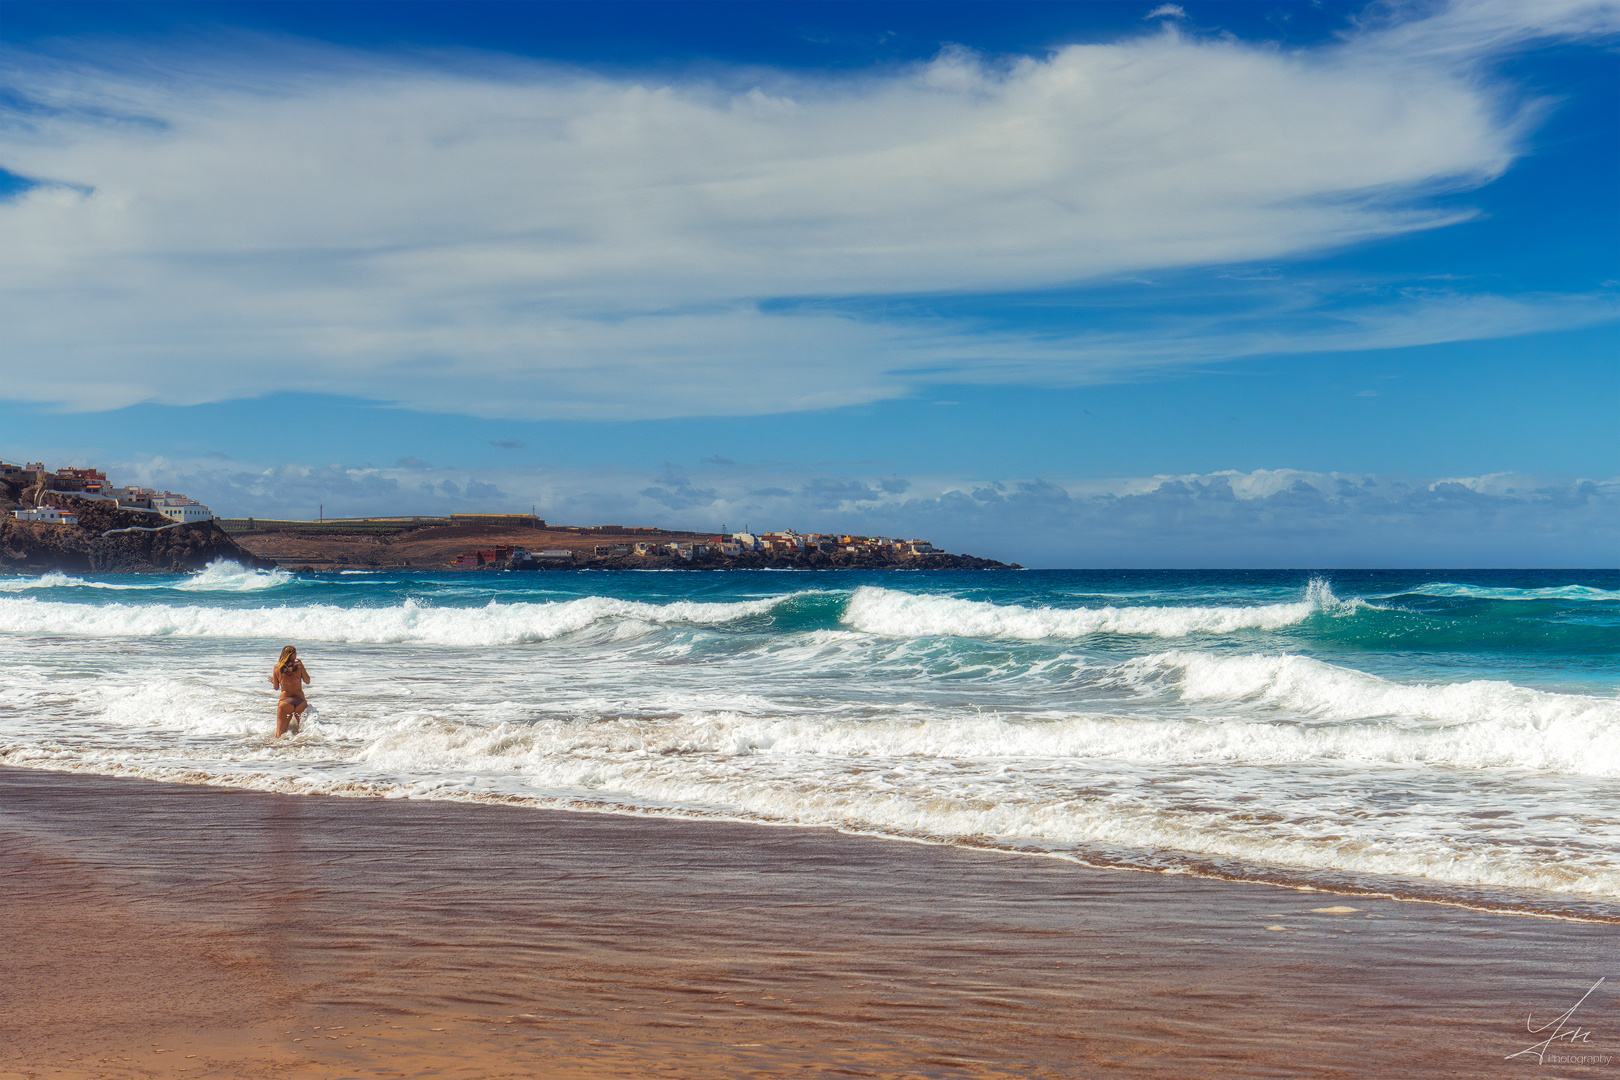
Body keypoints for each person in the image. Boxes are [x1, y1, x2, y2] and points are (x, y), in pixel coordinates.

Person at [270, 645, 312, 738]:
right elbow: (308, 681)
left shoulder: (277, 667)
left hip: (285, 702)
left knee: (280, 734)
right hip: (300, 701)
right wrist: (303, 667)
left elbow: (276, 687)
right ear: (293, 655)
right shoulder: (299, 666)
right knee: (305, 733)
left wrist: (275, 680)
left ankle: (282, 750)